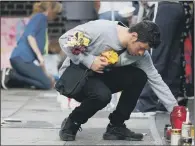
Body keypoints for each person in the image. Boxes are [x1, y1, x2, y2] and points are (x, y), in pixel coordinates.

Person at [58, 20, 178, 141]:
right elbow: (64, 40)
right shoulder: (101, 30)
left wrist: (176, 111)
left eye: (145, 50)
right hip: (76, 79)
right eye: (141, 48)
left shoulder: (141, 56)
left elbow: (156, 81)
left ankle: (116, 126)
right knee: (102, 96)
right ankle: (72, 122)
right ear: (134, 36)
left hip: (100, 77)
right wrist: (90, 61)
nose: (141, 53)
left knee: (139, 76)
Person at [1, 2, 62, 90]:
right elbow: (30, 36)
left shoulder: (42, 21)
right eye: (56, 13)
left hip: (24, 60)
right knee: (47, 84)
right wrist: (39, 56)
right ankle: (11, 75)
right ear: (50, 10)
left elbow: (41, 62)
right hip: (21, 59)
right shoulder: (40, 17)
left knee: (48, 82)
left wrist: (47, 75)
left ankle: (12, 78)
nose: (56, 16)